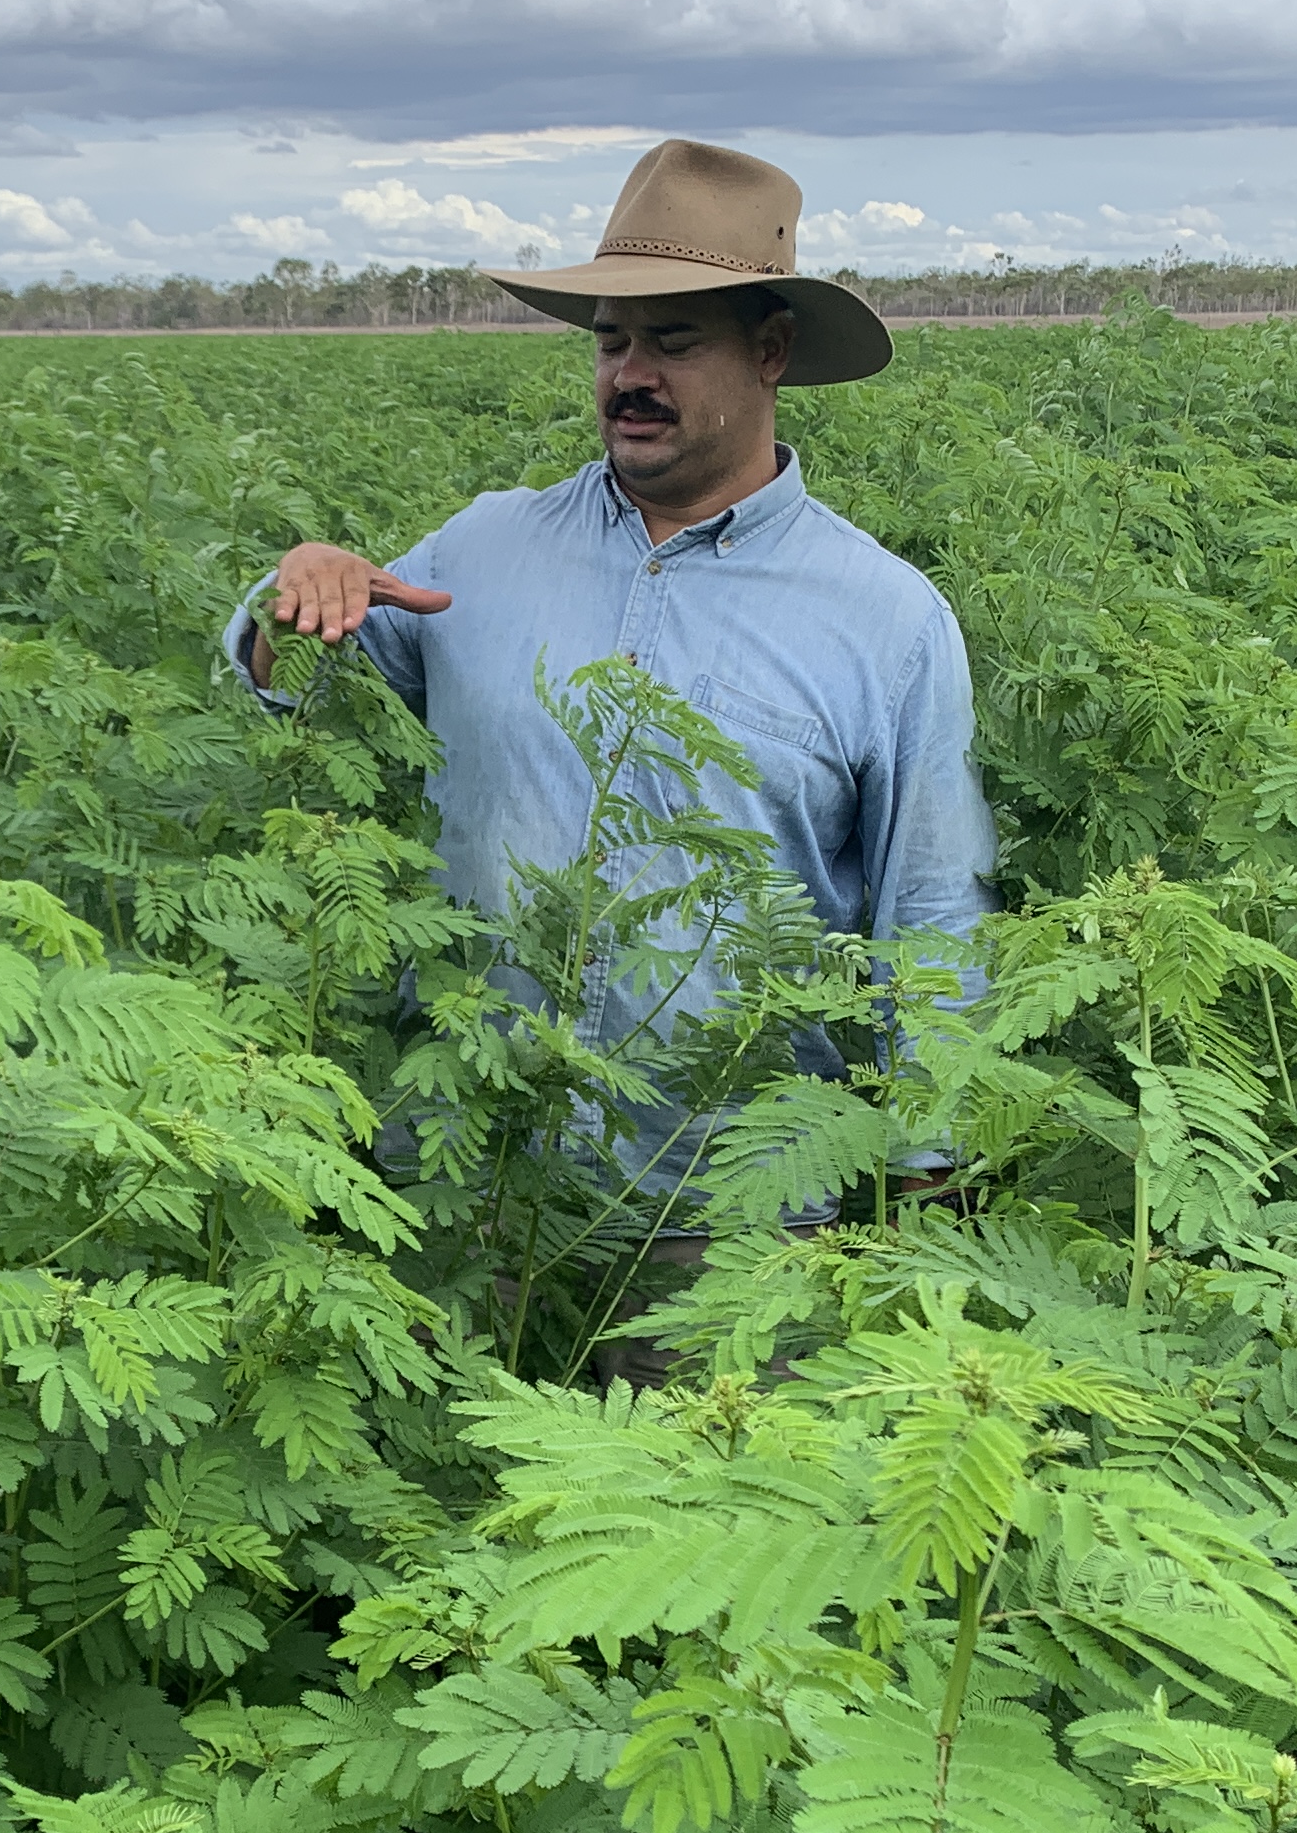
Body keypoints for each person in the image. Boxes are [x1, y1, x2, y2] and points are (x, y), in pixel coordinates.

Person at [225, 134, 996, 1278]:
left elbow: (934, 923)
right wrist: (287, 600)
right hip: (463, 1187)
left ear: (772, 350)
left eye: (673, 342)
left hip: (732, 1233)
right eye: (611, 340)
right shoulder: (480, 548)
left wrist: (927, 1201)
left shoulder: (888, 619)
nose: (630, 373)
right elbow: (297, 704)